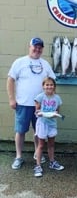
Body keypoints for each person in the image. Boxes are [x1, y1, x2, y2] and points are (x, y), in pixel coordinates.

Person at [7, 37, 56, 170]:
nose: (37, 49)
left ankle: (37, 154)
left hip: (41, 107)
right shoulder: (20, 62)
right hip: (22, 104)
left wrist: (52, 100)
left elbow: (52, 81)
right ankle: (18, 157)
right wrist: (12, 99)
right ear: (29, 47)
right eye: (35, 46)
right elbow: (10, 80)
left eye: (40, 47)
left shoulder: (45, 64)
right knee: (20, 131)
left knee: (38, 132)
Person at [34, 77, 64, 177]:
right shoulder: (40, 97)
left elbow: (57, 110)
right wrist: (39, 113)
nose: (49, 86)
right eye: (47, 85)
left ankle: (52, 162)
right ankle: (38, 166)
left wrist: (56, 113)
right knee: (41, 145)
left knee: (51, 144)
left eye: (51, 85)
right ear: (43, 86)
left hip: (52, 123)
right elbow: (37, 111)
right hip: (42, 123)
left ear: (54, 86)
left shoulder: (57, 98)